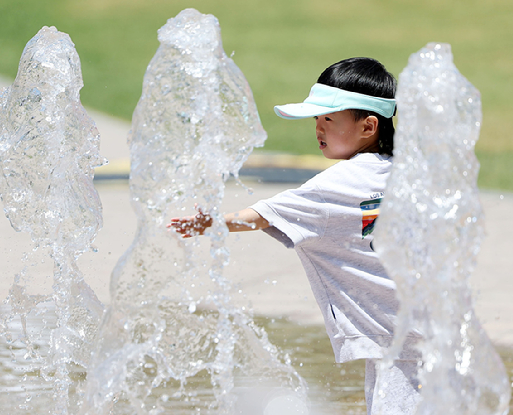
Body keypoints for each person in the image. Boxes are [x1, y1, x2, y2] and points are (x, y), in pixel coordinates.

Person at [168, 57, 421, 414]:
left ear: (368, 127)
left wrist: (208, 223)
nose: (318, 128)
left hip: (396, 342)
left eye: (328, 119)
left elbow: (257, 216)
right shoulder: (407, 172)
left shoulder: (336, 183)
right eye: (316, 119)